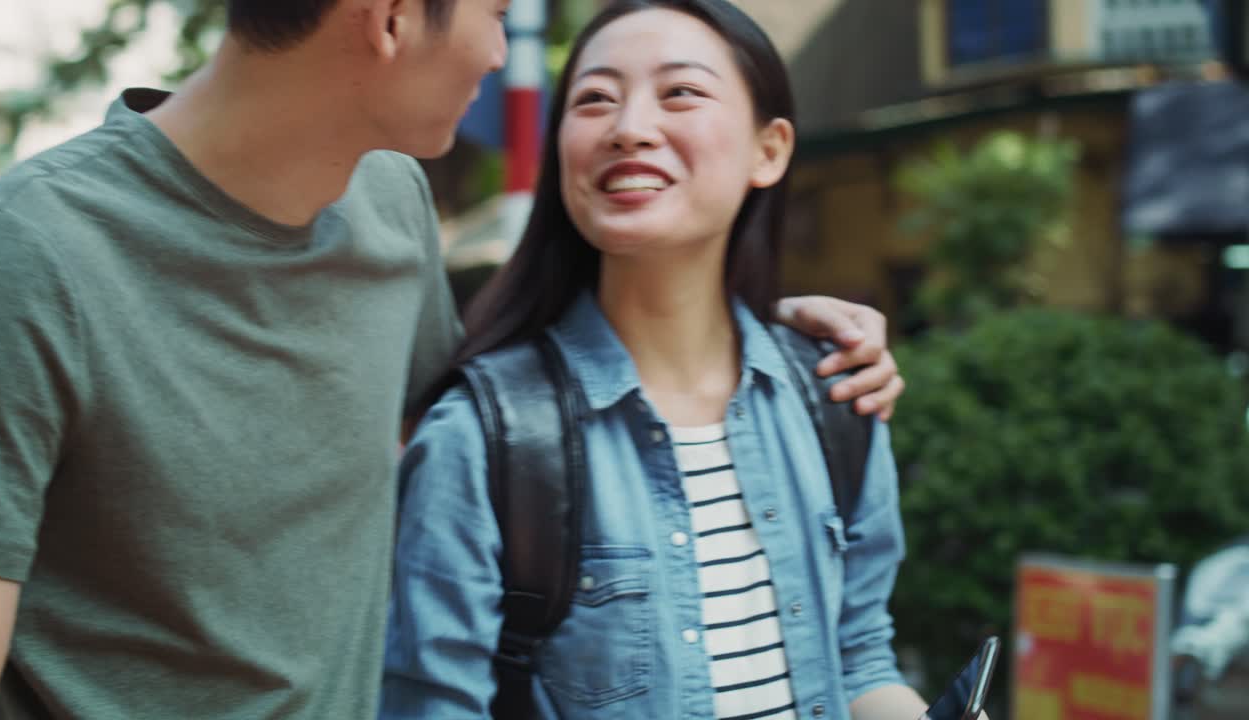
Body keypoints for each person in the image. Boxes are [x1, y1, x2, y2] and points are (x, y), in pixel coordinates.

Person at [0, 0, 905, 718]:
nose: (501, 55)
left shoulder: (390, 202)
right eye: (497, 16)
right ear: (390, 19)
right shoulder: (29, 254)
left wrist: (764, 331)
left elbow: (490, 420)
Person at [381, 1, 929, 719]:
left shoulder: (833, 394)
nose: (630, 128)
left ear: (770, 150)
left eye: (681, 93)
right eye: (595, 100)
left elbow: (858, 654)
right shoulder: (484, 438)